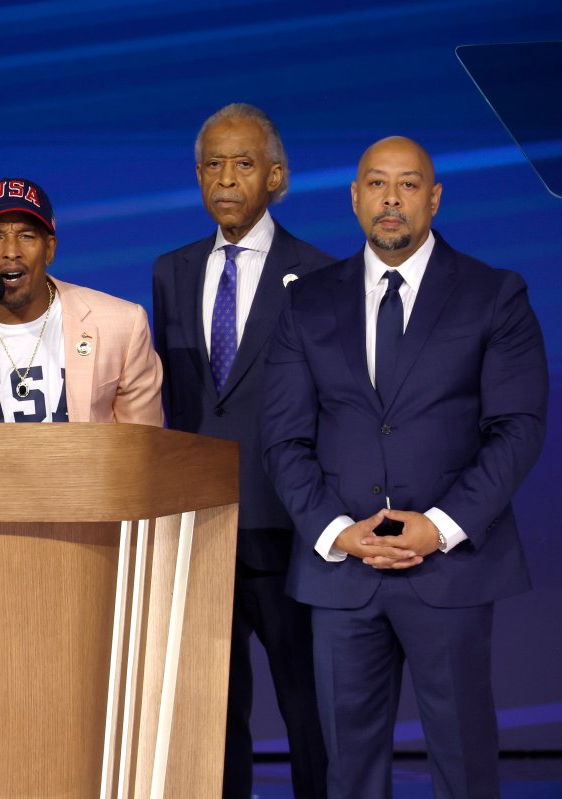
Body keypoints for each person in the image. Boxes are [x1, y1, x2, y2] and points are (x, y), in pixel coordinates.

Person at [262, 136, 547, 797]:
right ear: (355, 197)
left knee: (463, 760)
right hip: (342, 576)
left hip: (451, 566)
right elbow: (283, 439)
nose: (392, 198)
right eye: (377, 184)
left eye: (409, 184)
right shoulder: (306, 302)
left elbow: (518, 427)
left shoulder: (493, 294)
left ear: (435, 197)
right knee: (349, 771)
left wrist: (441, 524)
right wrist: (337, 531)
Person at [152, 103, 331, 799]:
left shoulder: (318, 274)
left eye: (244, 163)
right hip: (203, 531)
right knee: (215, 717)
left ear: (276, 176)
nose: (226, 179)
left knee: (307, 711)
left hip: (289, 532)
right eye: (213, 165)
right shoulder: (171, 271)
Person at [0, 177, 161, 424]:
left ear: (49, 249)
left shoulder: (122, 325)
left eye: (26, 236)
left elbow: (141, 449)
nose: (11, 252)